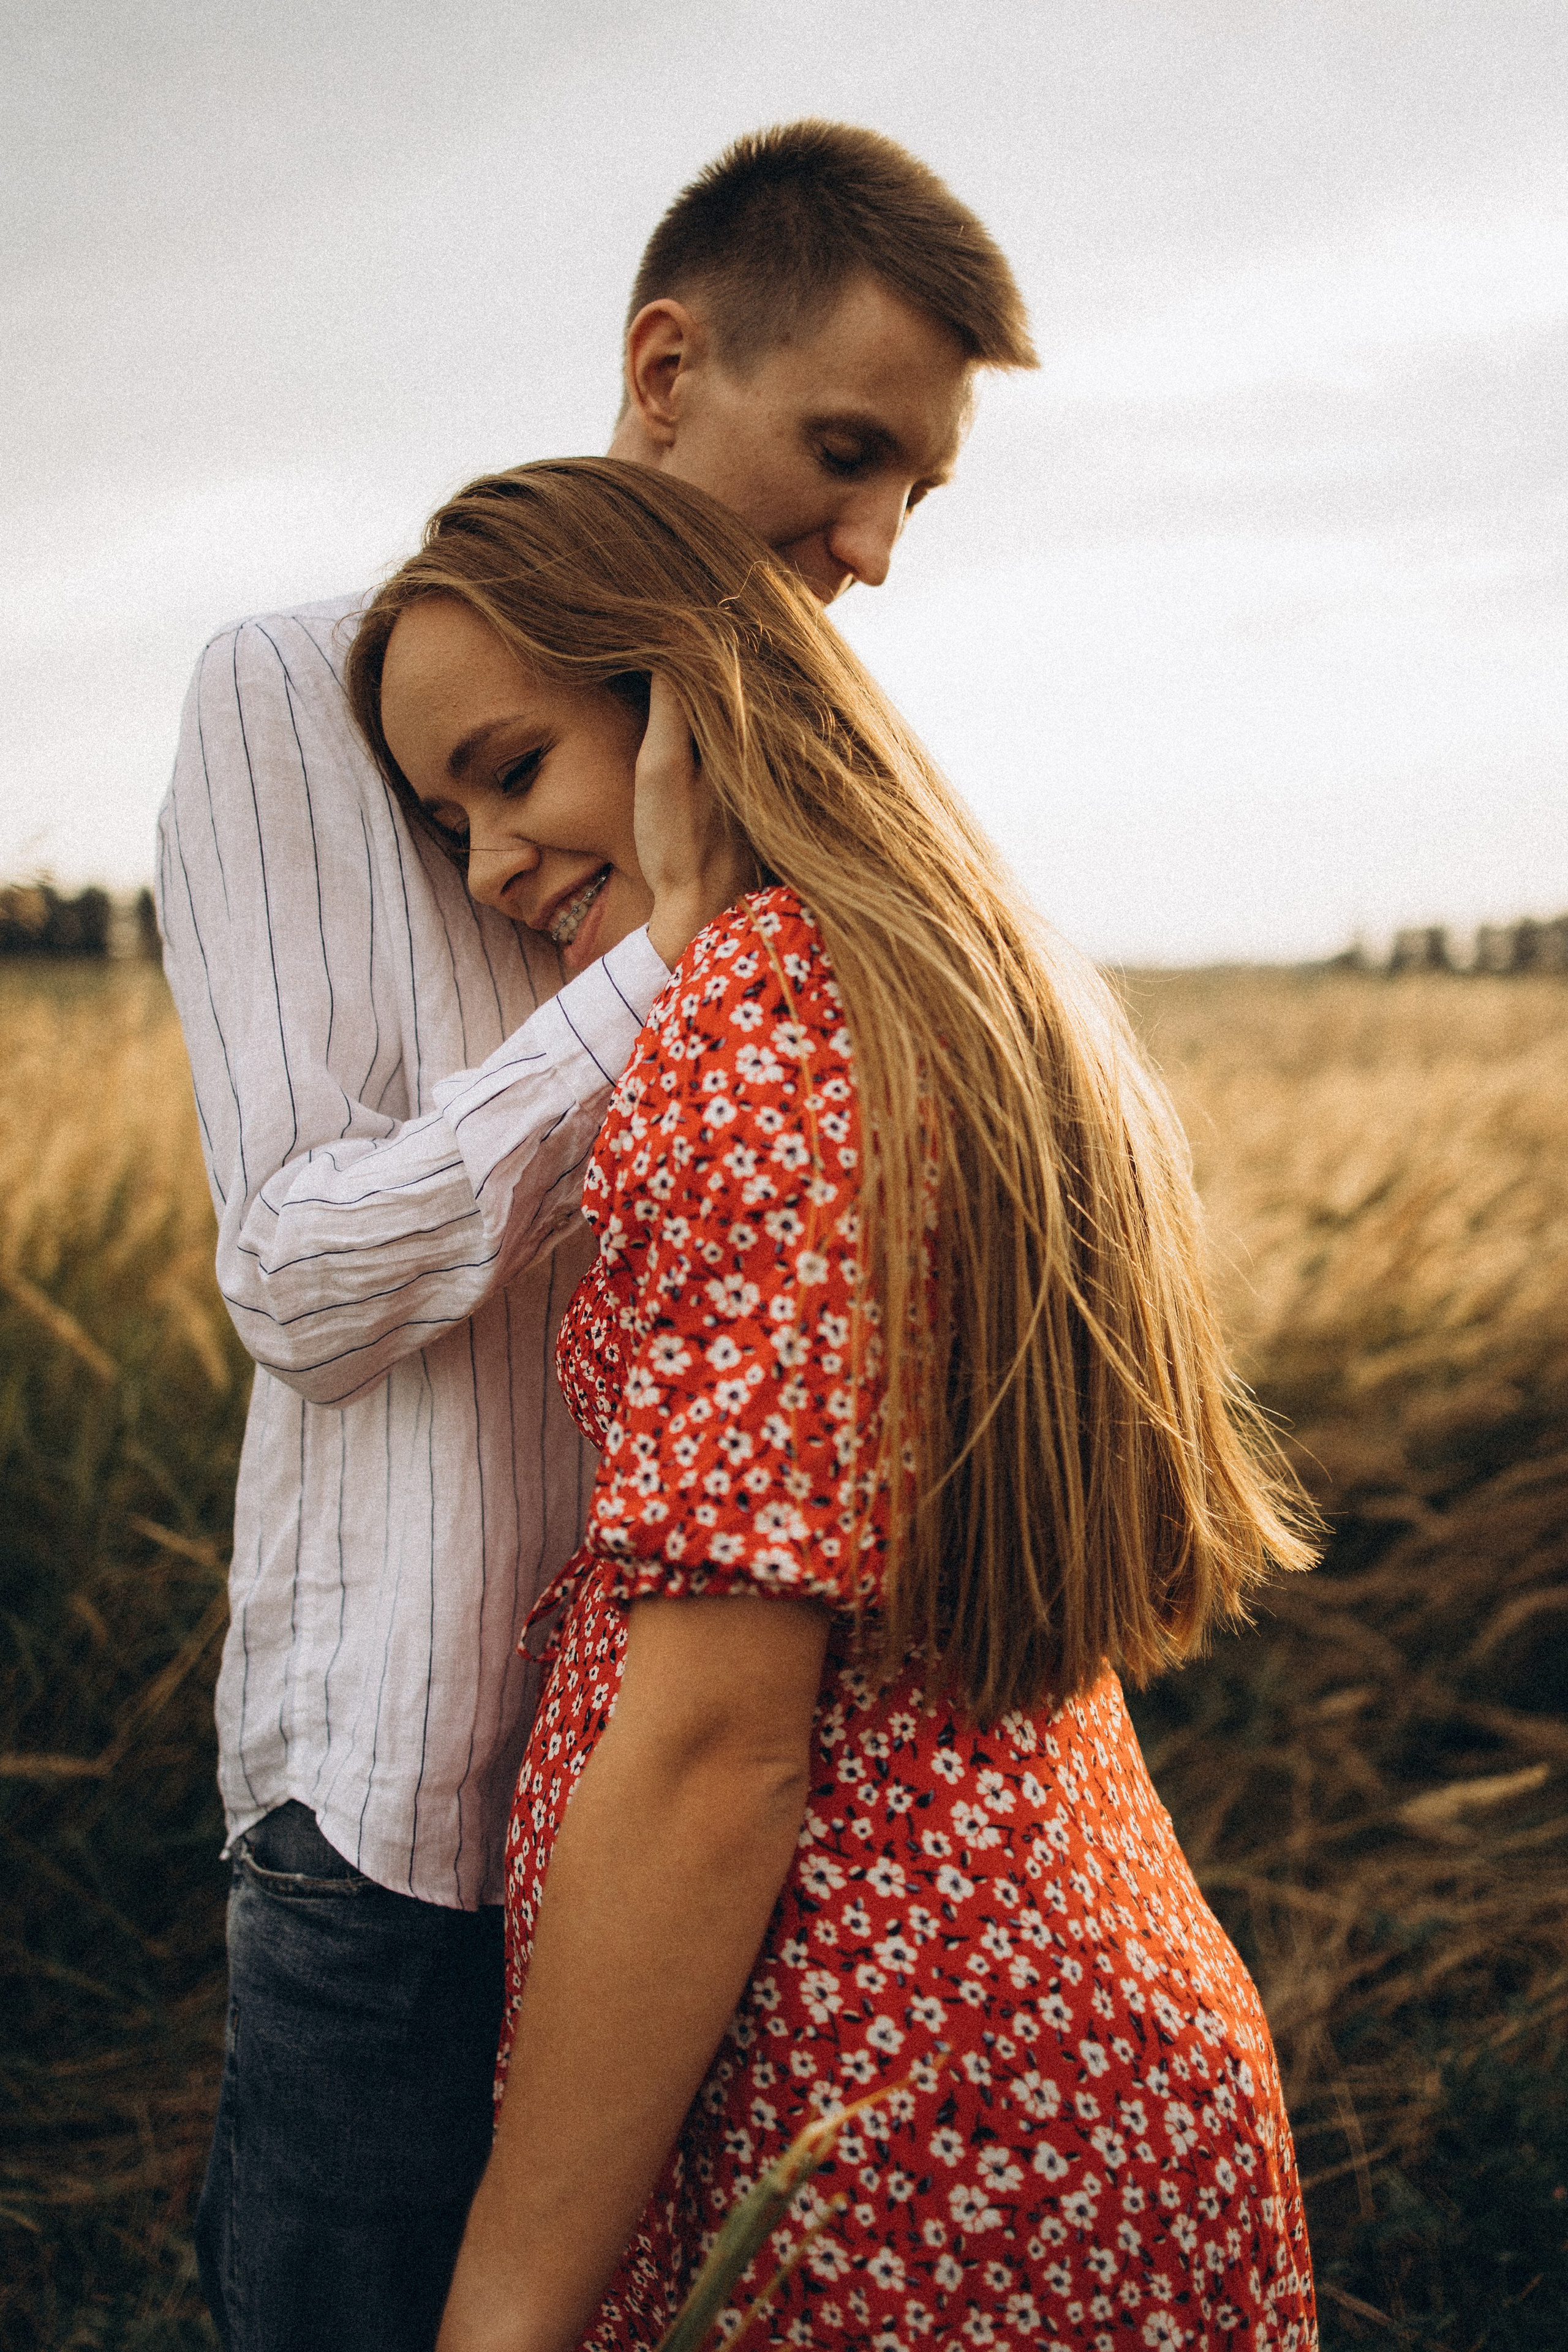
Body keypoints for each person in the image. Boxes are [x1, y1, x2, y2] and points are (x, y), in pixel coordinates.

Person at [156, 124, 1036, 2352]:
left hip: (726, 1851)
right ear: (667, 366)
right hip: (421, 1819)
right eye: (847, 454)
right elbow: (295, 1280)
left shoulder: (836, 808)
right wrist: (674, 967)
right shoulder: (294, 689)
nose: (874, 548)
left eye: (916, 493)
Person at [345, 459, 1321, 2352]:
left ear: (680, 703)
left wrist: (502, 2308)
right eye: (438, 815)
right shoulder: (911, 972)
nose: (481, 867)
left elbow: (718, 1754)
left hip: (895, 2154)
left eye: (511, 766)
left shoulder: (757, 1029)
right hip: (1034, 2084)